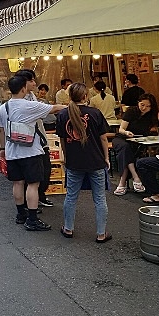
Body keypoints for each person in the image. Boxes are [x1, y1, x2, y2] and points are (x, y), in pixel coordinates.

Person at [0, 75, 65, 231]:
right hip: (30, 152)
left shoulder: (3, 108)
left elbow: (1, 130)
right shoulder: (29, 106)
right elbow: (54, 109)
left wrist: (2, 150)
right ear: (23, 88)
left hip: (12, 151)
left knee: (18, 183)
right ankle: (32, 219)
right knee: (33, 185)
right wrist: (74, 106)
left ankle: (21, 214)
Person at [55, 83, 111, 243]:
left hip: (74, 162)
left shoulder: (63, 115)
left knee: (71, 197)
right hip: (96, 161)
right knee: (99, 198)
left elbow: (63, 140)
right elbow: (103, 138)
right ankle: (101, 233)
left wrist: (66, 157)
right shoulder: (95, 113)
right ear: (85, 96)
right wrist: (106, 158)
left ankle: (68, 228)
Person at [16, 69, 53, 208]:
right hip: (28, 141)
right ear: (23, 83)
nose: (34, 83)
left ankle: (40, 196)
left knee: (44, 169)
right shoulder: (21, 100)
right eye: (31, 80)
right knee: (32, 175)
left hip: (39, 138)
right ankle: (30, 204)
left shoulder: (31, 95)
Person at [112, 93, 159, 196]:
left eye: (148, 106)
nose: (144, 108)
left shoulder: (151, 115)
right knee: (125, 148)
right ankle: (135, 177)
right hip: (122, 138)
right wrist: (126, 133)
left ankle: (122, 183)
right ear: (138, 103)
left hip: (138, 140)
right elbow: (121, 129)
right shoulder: (131, 111)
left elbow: (155, 129)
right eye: (142, 105)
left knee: (126, 152)